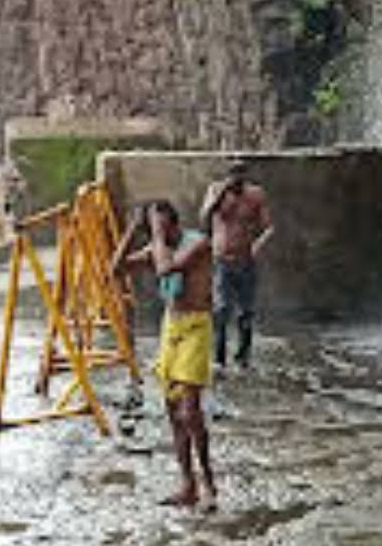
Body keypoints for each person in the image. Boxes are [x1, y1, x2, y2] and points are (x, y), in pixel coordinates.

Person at [112, 201, 217, 510]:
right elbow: (115, 269)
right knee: (173, 412)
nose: (159, 233)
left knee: (190, 412)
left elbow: (166, 268)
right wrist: (132, 230)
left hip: (197, 326)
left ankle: (209, 481)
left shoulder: (198, 243)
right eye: (156, 227)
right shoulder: (158, 247)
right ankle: (188, 485)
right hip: (171, 327)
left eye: (162, 226)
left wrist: (156, 235)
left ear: (174, 224)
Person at [200, 160, 273, 370]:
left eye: (240, 174)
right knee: (221, 308)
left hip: (246, 260)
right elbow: (203, 218)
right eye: (233, 174)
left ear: (246, 176)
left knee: (246, 311)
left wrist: (258, 244)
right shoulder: (215, 190)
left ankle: (243, 357)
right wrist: (219, 195)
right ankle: (219, 358)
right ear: (226, 176)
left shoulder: (256, 194)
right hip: (221, 259)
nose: (236, 179)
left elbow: (269, 227)